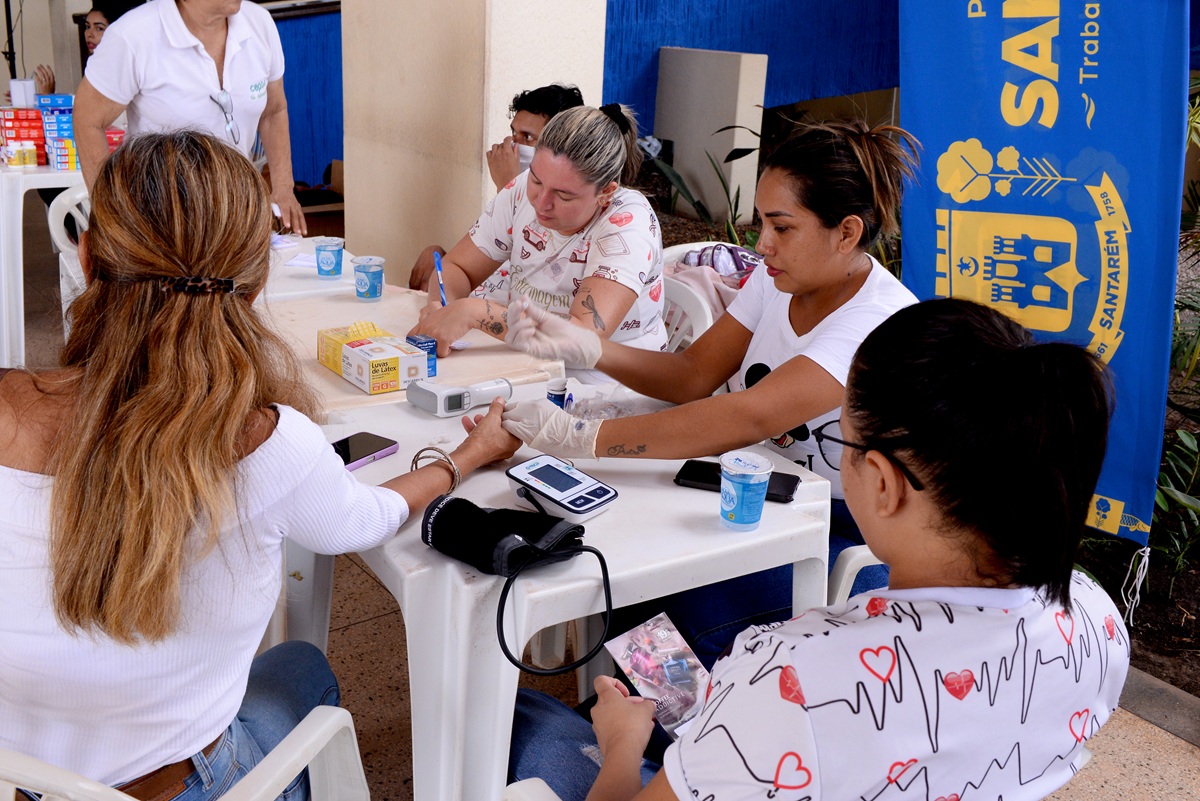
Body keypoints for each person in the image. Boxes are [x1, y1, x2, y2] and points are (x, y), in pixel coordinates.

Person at [0, 131, 518, 800]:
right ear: (257, 280)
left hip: (27, 780)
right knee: (301, 668)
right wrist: (465, 457)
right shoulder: (272, 444)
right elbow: (364, 520)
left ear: (88, 256)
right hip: (190, 786)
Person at [508, 297, 1131, 801]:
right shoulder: (1098, 619)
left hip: (760, 731)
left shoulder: (790, 670)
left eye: (844, 444)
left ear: (883, 483)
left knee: (527, 720)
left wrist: (622, 740)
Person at [501, 119, 920, 659]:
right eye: (762, 222)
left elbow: (746, 418)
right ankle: (649, 714)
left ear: (846, 232)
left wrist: (581, 436)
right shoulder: (778, 278)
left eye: (782, 227)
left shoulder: (874, 322)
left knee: (668, 597)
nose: (761, 243)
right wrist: (591, 350)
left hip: (850, 531)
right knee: (624, 565)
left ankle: (682, 725)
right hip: (762, 493)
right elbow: (694, 375)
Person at [408, 103, 667, 370]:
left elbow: (585, 339)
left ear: (607, 192)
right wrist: (443, 308)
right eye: (536, 179)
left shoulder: (627, 224)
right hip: (525, 362)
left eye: (564, 195)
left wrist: (472, 312)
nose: (541, 203)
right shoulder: (521, 191)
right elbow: (458, 267)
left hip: (607, 381)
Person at [74, 0, 307, 234]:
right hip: (160, 217)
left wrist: (284, 186)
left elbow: (274, 110)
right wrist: (108, 213)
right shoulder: (133, 35)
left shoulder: (259, 24)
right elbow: (87, 119)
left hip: (236, 211)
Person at [408, 83, 586, 293]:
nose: (511, 143)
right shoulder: (514, 191)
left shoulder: (571, 202)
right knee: (431, 258)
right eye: (513, 133)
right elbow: (475, 259)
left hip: (516, 311)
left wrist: (509, 186)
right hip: (480, 296)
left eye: (527, 137)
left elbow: (537, 264)